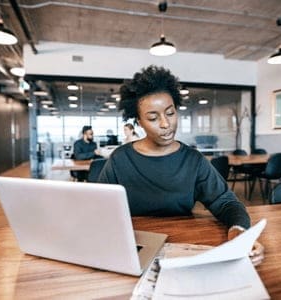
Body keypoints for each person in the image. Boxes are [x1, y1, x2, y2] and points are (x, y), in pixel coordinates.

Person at [98, 65, 264, 265]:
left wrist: (239, 232)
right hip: (133, 250)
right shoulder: (120, 159)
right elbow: (101, 210)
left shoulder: (193, 160)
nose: (166, 124)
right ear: (139, 122)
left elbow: (226, 203)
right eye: (153, 118)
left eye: (170, 113)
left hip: (182, 248)